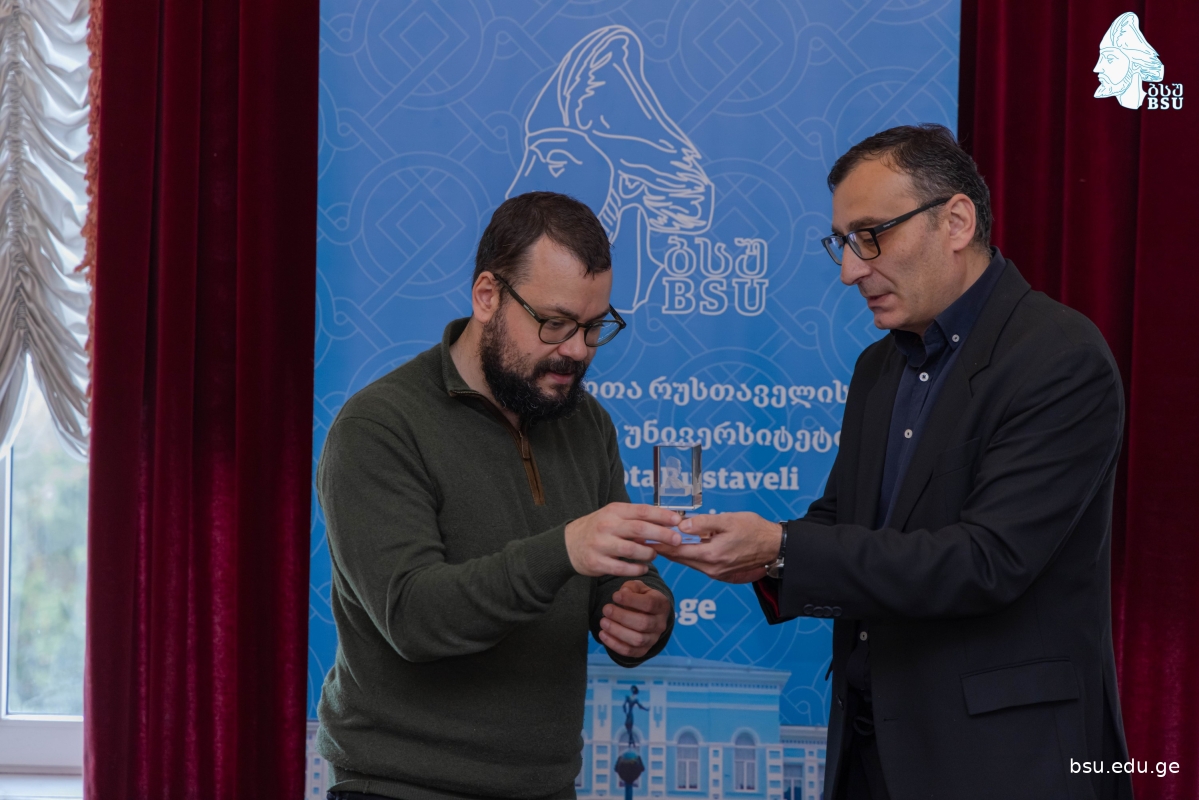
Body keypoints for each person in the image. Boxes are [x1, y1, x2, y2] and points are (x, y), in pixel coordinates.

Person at [653, 125, 1132, 800]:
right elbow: (843, 521)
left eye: (871, 236)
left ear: (956, 221)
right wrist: (756, 554)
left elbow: (986, 561)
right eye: (842, 243)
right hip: (869, 749)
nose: (849, 271)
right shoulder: (877, 367)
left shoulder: (1058, 358)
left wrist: (784, 548)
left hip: (1003, 761)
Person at [316, 191, 679, 799]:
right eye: (555, 323)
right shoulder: (378, 426)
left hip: (548, 786)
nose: (577, 350)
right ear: (487, 296)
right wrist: (565, 548)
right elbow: (413, 618)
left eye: (594, 327)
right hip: (401, 788)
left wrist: (644, 612)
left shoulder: (586, 422)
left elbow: (614, 576)